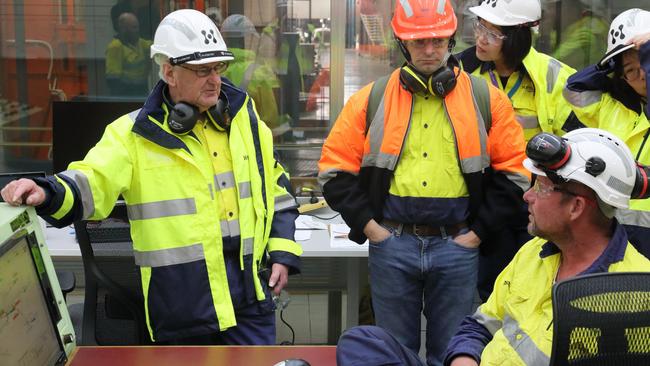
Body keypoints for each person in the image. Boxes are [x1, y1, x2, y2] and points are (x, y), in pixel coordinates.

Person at [1, 9, 302, 345]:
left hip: (250, 296)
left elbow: (276, 190)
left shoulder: (245, 120)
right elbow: (90, 181)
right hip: (186, 306)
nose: (215, 80)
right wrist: (47, 191)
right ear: (169, 72)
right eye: (202, 70)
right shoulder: (133, 135)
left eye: (218, 68)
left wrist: (282, 253)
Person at [318, 1, 530, 364]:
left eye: (437, 40)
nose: (429, 50)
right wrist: (372, 229)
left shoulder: (486, 99)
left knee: (454, 350)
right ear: (403, 43)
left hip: (458, 245)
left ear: (450, 39)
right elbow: (334, 172)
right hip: (392, 243)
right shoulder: (371, 99)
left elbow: (516, 174)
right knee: (391, 353)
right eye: (419, 42)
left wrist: (476, 234)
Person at [443, 128, 650, 366]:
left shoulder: (636, 292)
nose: (527, 196)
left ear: (576, 207)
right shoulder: (534, 251)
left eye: (540, 188)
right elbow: (481, 324)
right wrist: (464, 358)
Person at [456, 0, 580, 301]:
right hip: (484, 202)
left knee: (533, 289)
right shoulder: (461, 70)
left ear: (517, 36)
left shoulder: (555, 77)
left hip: (536, 204)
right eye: (479, 27)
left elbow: (577, 143)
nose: (481, 39)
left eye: (493, 34)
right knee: (487, 293)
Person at [563, 8, 650, 258]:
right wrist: (607, 64)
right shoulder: (612, 105)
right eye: (631, 70)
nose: (641, 75)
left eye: (645, 63)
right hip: (612, 225)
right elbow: (574, 89)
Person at [220, 14, 282, 130]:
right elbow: (270, 119)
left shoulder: (214, 69)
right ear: (249, 39)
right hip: (250, 141)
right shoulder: (260, 72)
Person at [551, 0, 609, 70]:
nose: (550, 13)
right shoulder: (568, 29)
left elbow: (551, 65)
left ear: (571, 9)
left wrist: (545, 33)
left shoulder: (584, 34)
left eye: (553, 8)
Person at [105, 12, 152, 96]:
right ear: (123, 29)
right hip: (126, 94)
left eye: (137, 27)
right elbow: (113, 80)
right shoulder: (115, 47)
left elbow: (155, 45)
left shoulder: (140, 43)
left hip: (142, 91)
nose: (137, 30)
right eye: (134, 27)